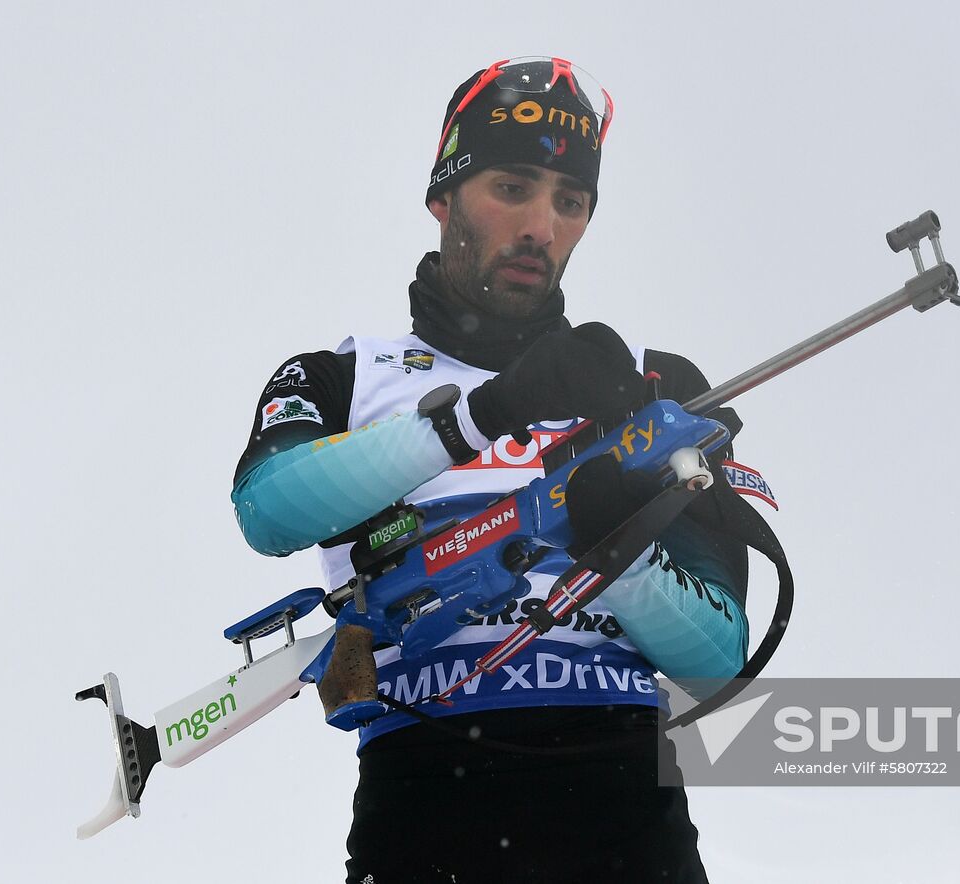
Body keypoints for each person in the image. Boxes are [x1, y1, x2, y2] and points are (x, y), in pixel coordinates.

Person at [230, 57, 761, 883]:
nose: (542, 227)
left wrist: (609, 546)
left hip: (627, 821)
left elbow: (720, 658)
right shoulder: (343, 375)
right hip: (425, 812)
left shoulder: (654, 389)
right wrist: (488, 413)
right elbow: (270, 509)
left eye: (570, 202)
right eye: (513, 189)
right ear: (444, 196)